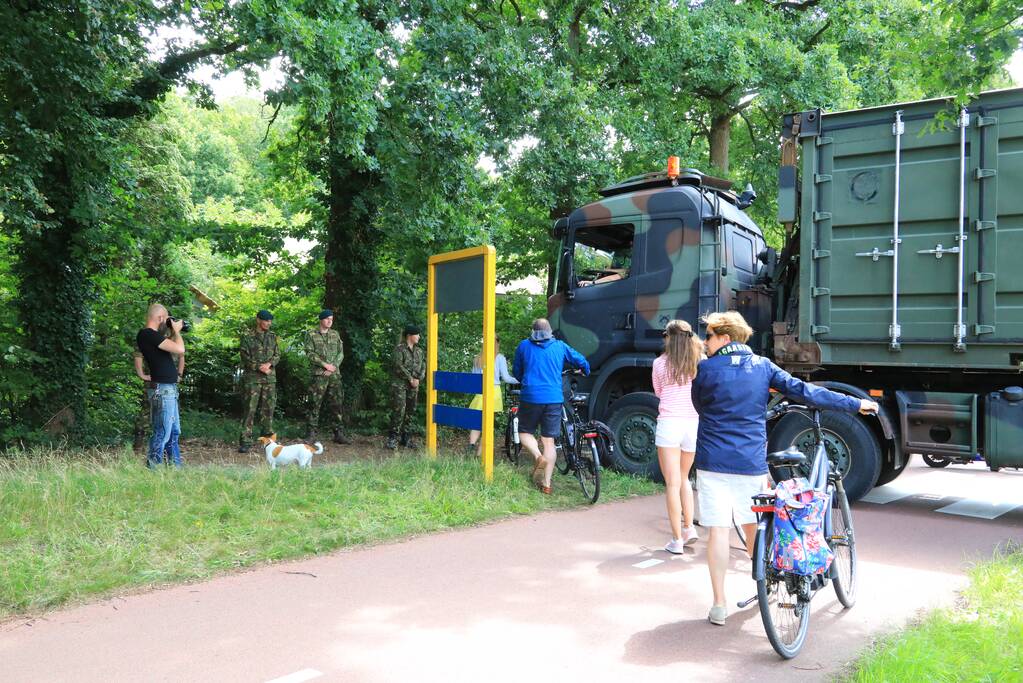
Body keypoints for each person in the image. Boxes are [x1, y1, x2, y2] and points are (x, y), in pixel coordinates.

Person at [691, 311, 878, 626]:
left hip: (712, 461)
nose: (705, 343)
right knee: (753, 526)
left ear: (724, 338)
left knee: (718, 532)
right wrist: (853, 403)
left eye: (709, 336)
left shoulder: (705, 371)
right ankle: (764, 586)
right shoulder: (763, 367)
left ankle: (719, 605)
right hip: (749, 463)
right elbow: (806, 392)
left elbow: (700, 406)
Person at [512, 318, 590, 494]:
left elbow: (517, 372)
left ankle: (538, 457)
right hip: (554, 398)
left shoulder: (524, 346)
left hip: (530, 396)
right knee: (549, 442)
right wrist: (585, 370)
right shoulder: (560, 346)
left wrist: (525, 378)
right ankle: (546, 484)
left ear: (533, 331)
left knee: (524, 432)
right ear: (550, 332)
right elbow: (581, 361)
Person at [652, 319, 702, 555]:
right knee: (684, 478)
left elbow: (659, 392)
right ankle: (689, 527)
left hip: (669, 423)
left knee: (671, 483)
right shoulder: (698, 362)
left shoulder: (659, 363)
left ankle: (676, 540)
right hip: (692, 423)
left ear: (669, 337)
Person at [136, 303, 185, 469]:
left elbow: (172, 347)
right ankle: (153, 468)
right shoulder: (147, 334)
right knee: (162, 432)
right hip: (163, 391)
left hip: (169, 389)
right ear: (160, 318)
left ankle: (175, 467)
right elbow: (180, 349)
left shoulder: (154, 337)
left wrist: (173, 331)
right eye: (166, 319)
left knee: (173, 432)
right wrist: (176, 330)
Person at [303, 309, 350, 444]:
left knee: (337, 404)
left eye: (332, 319)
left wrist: (333, 366)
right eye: (327, 318)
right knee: (314, 404)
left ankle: (338, 433)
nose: (330, 321)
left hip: (334, 375)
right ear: (321, 320)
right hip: (319, 375)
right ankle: (311, 434)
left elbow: (341, 353)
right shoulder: (311, 334)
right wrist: (325, 365)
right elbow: (310, 353)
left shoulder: (335, 334)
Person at [467, 335, 518, 455]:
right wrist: (520, 380)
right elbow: (506, 378)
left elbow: (473, 379)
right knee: (488, 425)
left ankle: (471, 446)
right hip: (494, 392)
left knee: (477, 423)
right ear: (497, 343)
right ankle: (479, 454)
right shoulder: (499, 358)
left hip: (480, 392)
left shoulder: (478, 358)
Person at [238, 309, 280, 453]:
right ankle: (245, 441)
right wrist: (258, 367)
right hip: (253, 379)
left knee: (268, 410)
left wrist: (269, 364)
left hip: (269, 379)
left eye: (270, 321)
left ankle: (267, 440)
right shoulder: (247, 337)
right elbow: (244, 357)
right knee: (249, 410)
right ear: (258, 320)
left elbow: (277, 354)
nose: (269, 323)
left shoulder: (273, 337)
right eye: (266, 320)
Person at [132, 349, 183, 454]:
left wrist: (179, 375)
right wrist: (141, 374)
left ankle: (169, 459)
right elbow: (138, 355)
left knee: (171, 425)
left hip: (170, 386)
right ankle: (138, 448)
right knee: (148, 417)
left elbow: (181, 356)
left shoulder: (173, 340)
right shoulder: (150, 336)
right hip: (154, 385)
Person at [387, 324, 426, 450]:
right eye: (417, 334)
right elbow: (398, 366)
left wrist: (418, 379)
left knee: (411, 411)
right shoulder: (399, 349)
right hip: (400, 385)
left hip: (414, 386)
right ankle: (392, 438)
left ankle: (406, 438)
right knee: (399, 411)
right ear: (409, 335)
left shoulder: (419, 351)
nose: (419, 337)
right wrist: (410, 378)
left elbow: (423, 366)